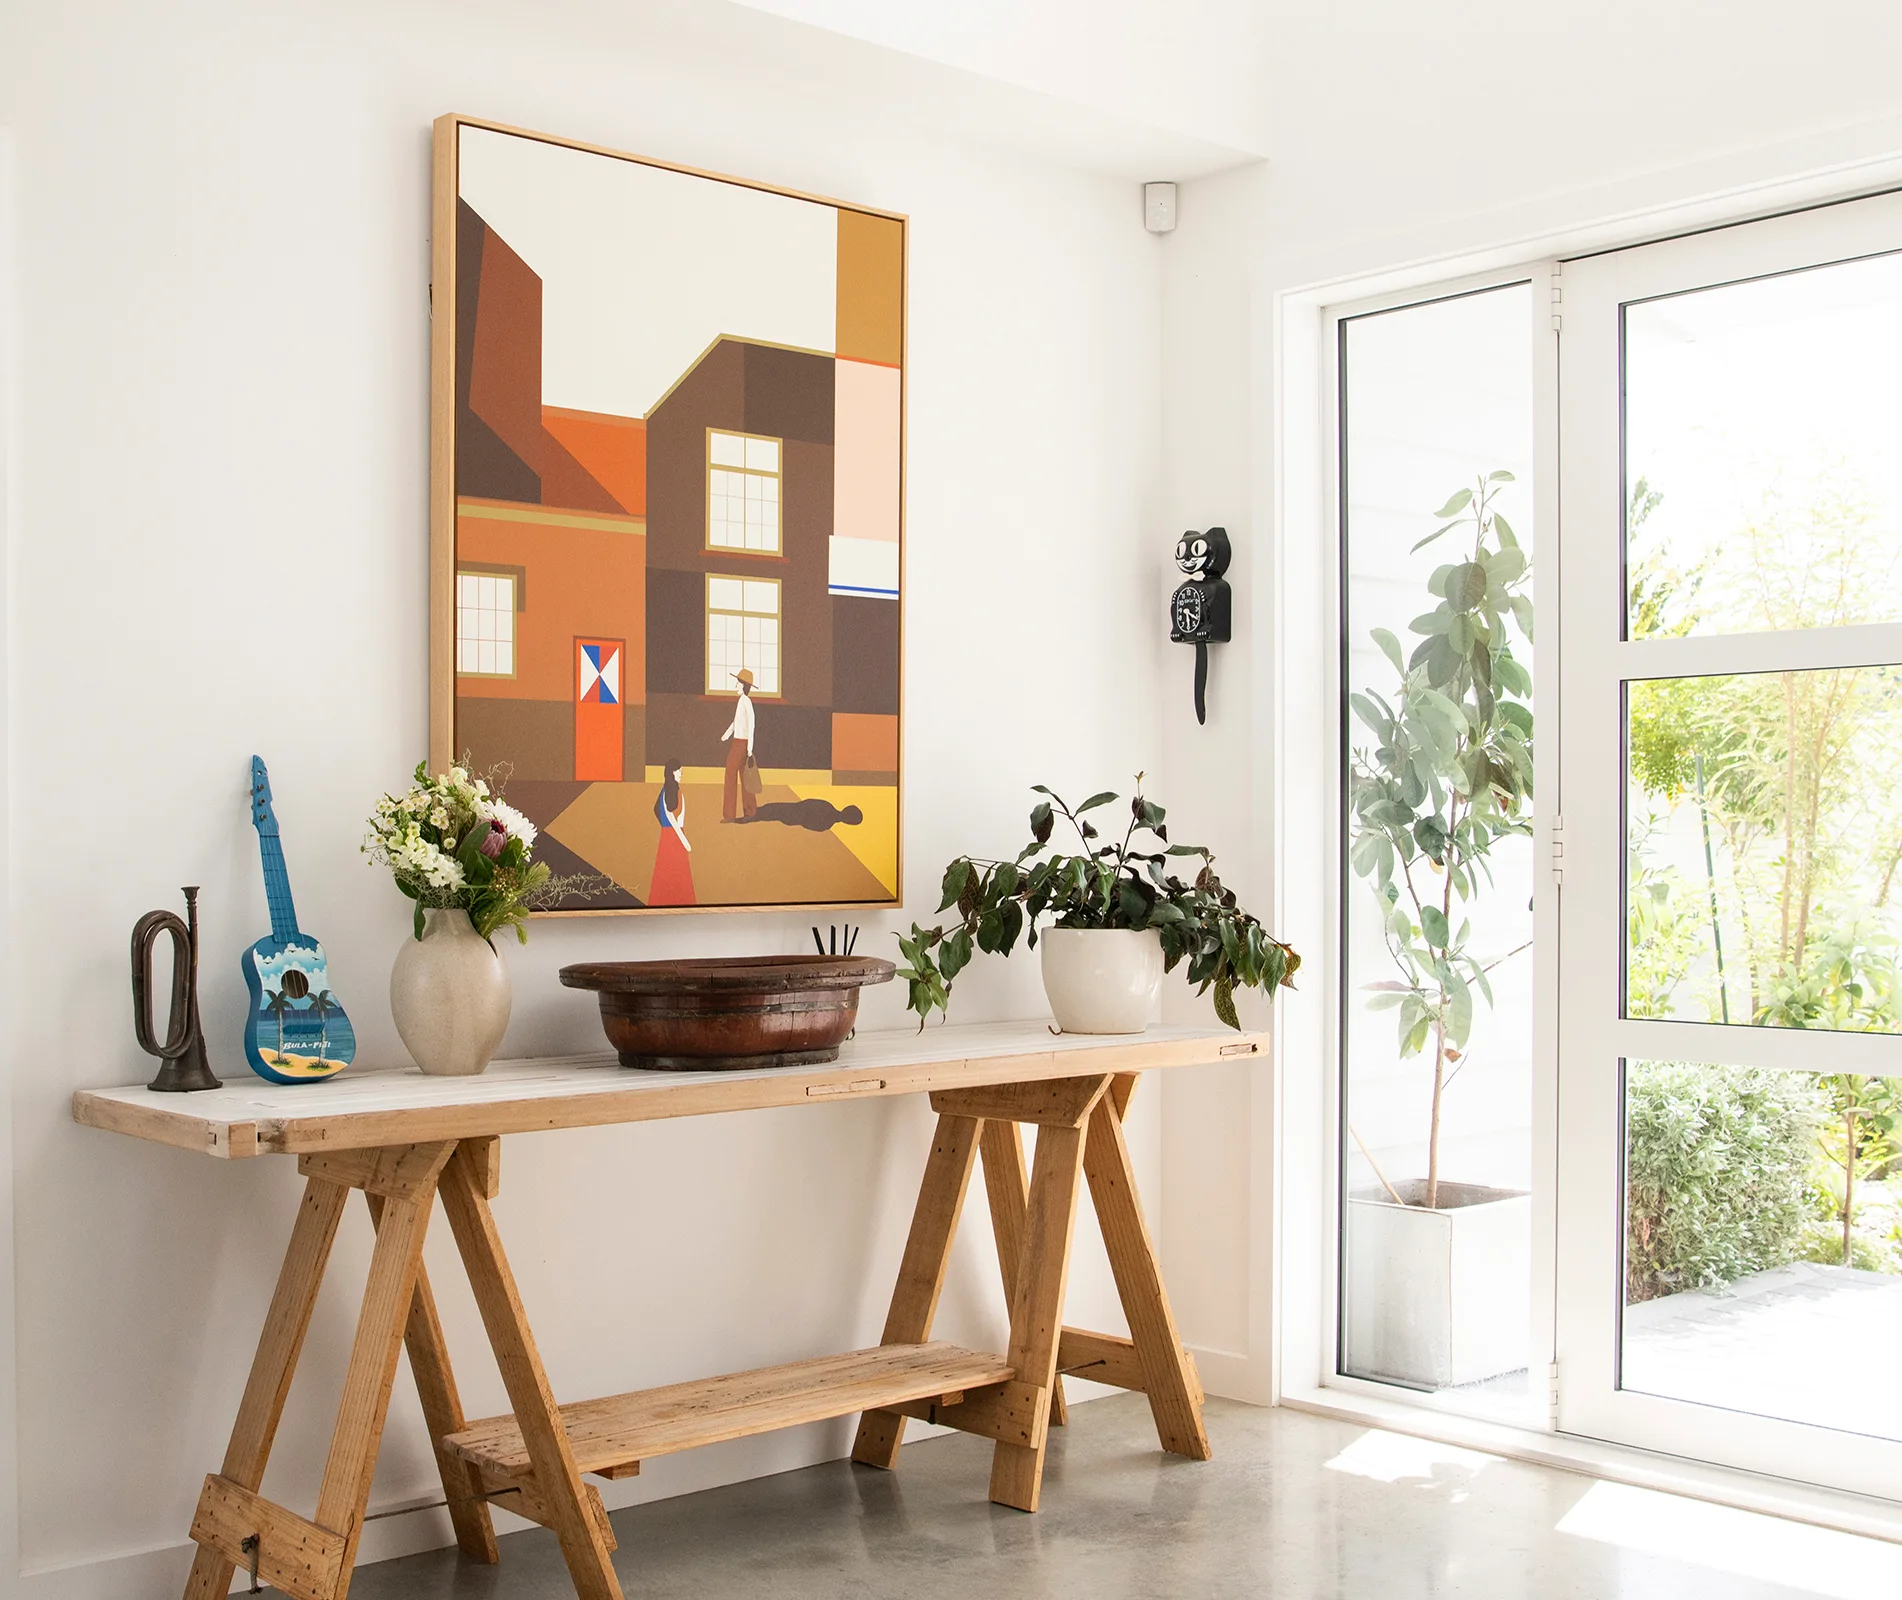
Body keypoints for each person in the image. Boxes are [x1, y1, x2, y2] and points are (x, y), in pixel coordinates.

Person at [648, 761, 694, 906]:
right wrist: (684, 841)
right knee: (676, 871)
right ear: (672, 772)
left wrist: (665, 828)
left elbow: (656, 810)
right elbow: (671, 817)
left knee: (668, 871)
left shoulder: (667, 789)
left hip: (667, 836)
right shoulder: (671, 790)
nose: (681, 773)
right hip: (674, 836)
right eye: (679, 771)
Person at [720, 667, 759, 822]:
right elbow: (737, 722)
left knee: (730, 773)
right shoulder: (742, 701)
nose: (736, 686)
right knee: (744, 776)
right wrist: (727, 734)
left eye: (738, 683)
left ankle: (729, 815)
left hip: (741, 744)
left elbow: (751, 724)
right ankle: (750, 811)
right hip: (740, 742)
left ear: (744, 685)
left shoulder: (745, 701)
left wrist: (750, 748)